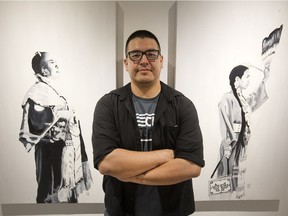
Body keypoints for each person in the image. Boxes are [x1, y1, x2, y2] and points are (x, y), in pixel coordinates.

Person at [92, 30, 205, 215]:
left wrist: (127, 172)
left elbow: (191, 166)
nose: (144, 61)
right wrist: (166, 155)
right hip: (121, 210)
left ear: (161, 60)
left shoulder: (182, 105)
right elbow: (107, 162)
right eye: (135, 55)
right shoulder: (108, 105)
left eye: (151, 54)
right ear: (126, 63)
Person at [19, 52, 92, 203]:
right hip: (49, 151)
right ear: (44, 70)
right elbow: (35, 122)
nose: (57, 65)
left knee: (67, 194)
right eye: (52, 62)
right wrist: (59, 115)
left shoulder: (53, 90)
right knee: (50, 192)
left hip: (65, 150)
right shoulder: (36, 92)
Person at [217, 64, 270, 198]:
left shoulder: (242, 99)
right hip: (232, 146)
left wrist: (265, 79)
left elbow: (254, 99)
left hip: (242, 145)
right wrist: (228, 144)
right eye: (247, 77)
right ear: (237, 80)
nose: (249, 80)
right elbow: (225, 122)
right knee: (228, 181)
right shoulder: (227, 99)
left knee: (239, 178)